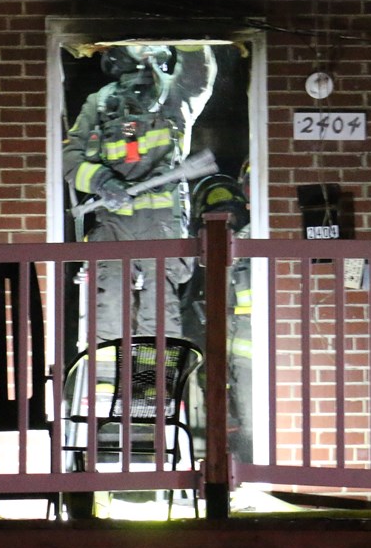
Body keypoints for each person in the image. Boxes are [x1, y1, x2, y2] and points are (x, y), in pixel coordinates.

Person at [63, 43, 216, 340]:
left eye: (153, 43)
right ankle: (109, 371)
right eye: (138, 44)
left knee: (159, 313)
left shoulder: (174, 94)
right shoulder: (101, 102)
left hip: (161, 224)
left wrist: (189, 36)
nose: (147, 47)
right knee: (110, 309)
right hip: (114, 223)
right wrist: (101, 182)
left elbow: (198, 74)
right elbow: (70, 157)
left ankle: (152, 372)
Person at [181, 169, 253, 462]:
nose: (225, 223)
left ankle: (248, 466)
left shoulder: (251, 244)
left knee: (251, 414)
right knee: (218, 410)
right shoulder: (197, 252)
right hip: (215, 345)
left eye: (229, 216)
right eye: (215, 217)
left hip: (250, 346)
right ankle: (224, 463)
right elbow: (187, 299)